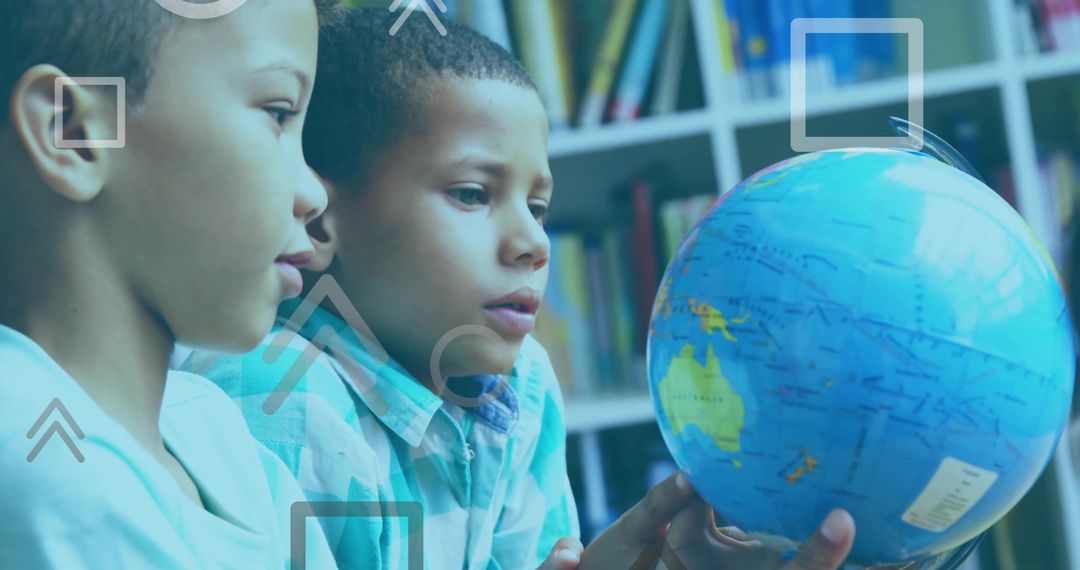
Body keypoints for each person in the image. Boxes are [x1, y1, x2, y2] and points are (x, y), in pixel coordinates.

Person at [185, 8, 857, 570]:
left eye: (537, 207)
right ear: (322, 216)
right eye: (473, 194)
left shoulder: (524, 389)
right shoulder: (275, 400)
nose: (533, 244)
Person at [0, 1, 340, 566]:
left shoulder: (207, 422)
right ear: (76, 133)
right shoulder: (43, 459)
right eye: (278, 114)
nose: (315, 194)